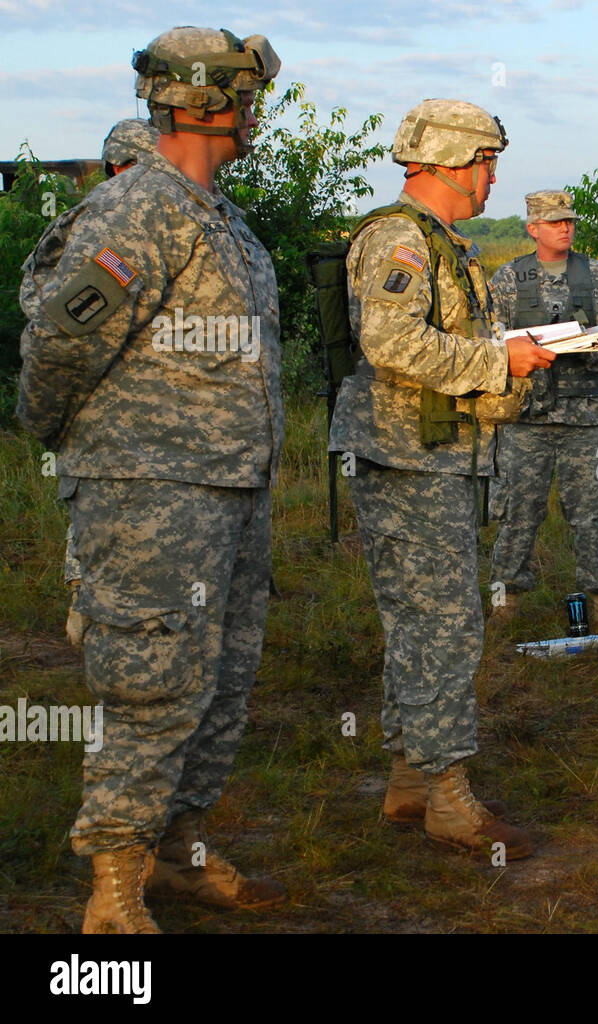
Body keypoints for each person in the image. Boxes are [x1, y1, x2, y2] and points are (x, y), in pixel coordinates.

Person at [18, 26, 286, 933]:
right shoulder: (139, 210)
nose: (255, 111)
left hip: (230, 492)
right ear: (211, 102)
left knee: (221, 681)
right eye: (245, 95)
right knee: (153, 684)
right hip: (151, 497)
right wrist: (70, 439)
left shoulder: (225, 222)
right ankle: (114, 890)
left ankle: (179, 854)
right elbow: (62, 339)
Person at [327, 99, 554, 859]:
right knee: (447, 626)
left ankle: (410, 780)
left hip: (432, 456)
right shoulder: (402, 240)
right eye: (487, 162)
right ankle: (449, 796)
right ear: (456, 163)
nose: (492, 178)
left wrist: (509, 351)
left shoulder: (437, 241)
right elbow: (391, 342)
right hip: (410, 461)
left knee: (421, 624)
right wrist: (500, 361)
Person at [486, 190, 598, 634]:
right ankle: (505, 602)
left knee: (594, 513)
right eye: (554, 222)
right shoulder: (508, 279)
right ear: (532, 228)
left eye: (569, 221)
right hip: (526, 418)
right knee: (516, 512)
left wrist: (593, 344)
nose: (565, 228)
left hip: (587, 417)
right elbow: (489, 338)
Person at [63, 118, 161, 648]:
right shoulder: (98, 225)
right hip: (104, 400)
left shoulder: (145, 222)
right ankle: (88, 602)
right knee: (100, 507)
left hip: (146, 405)